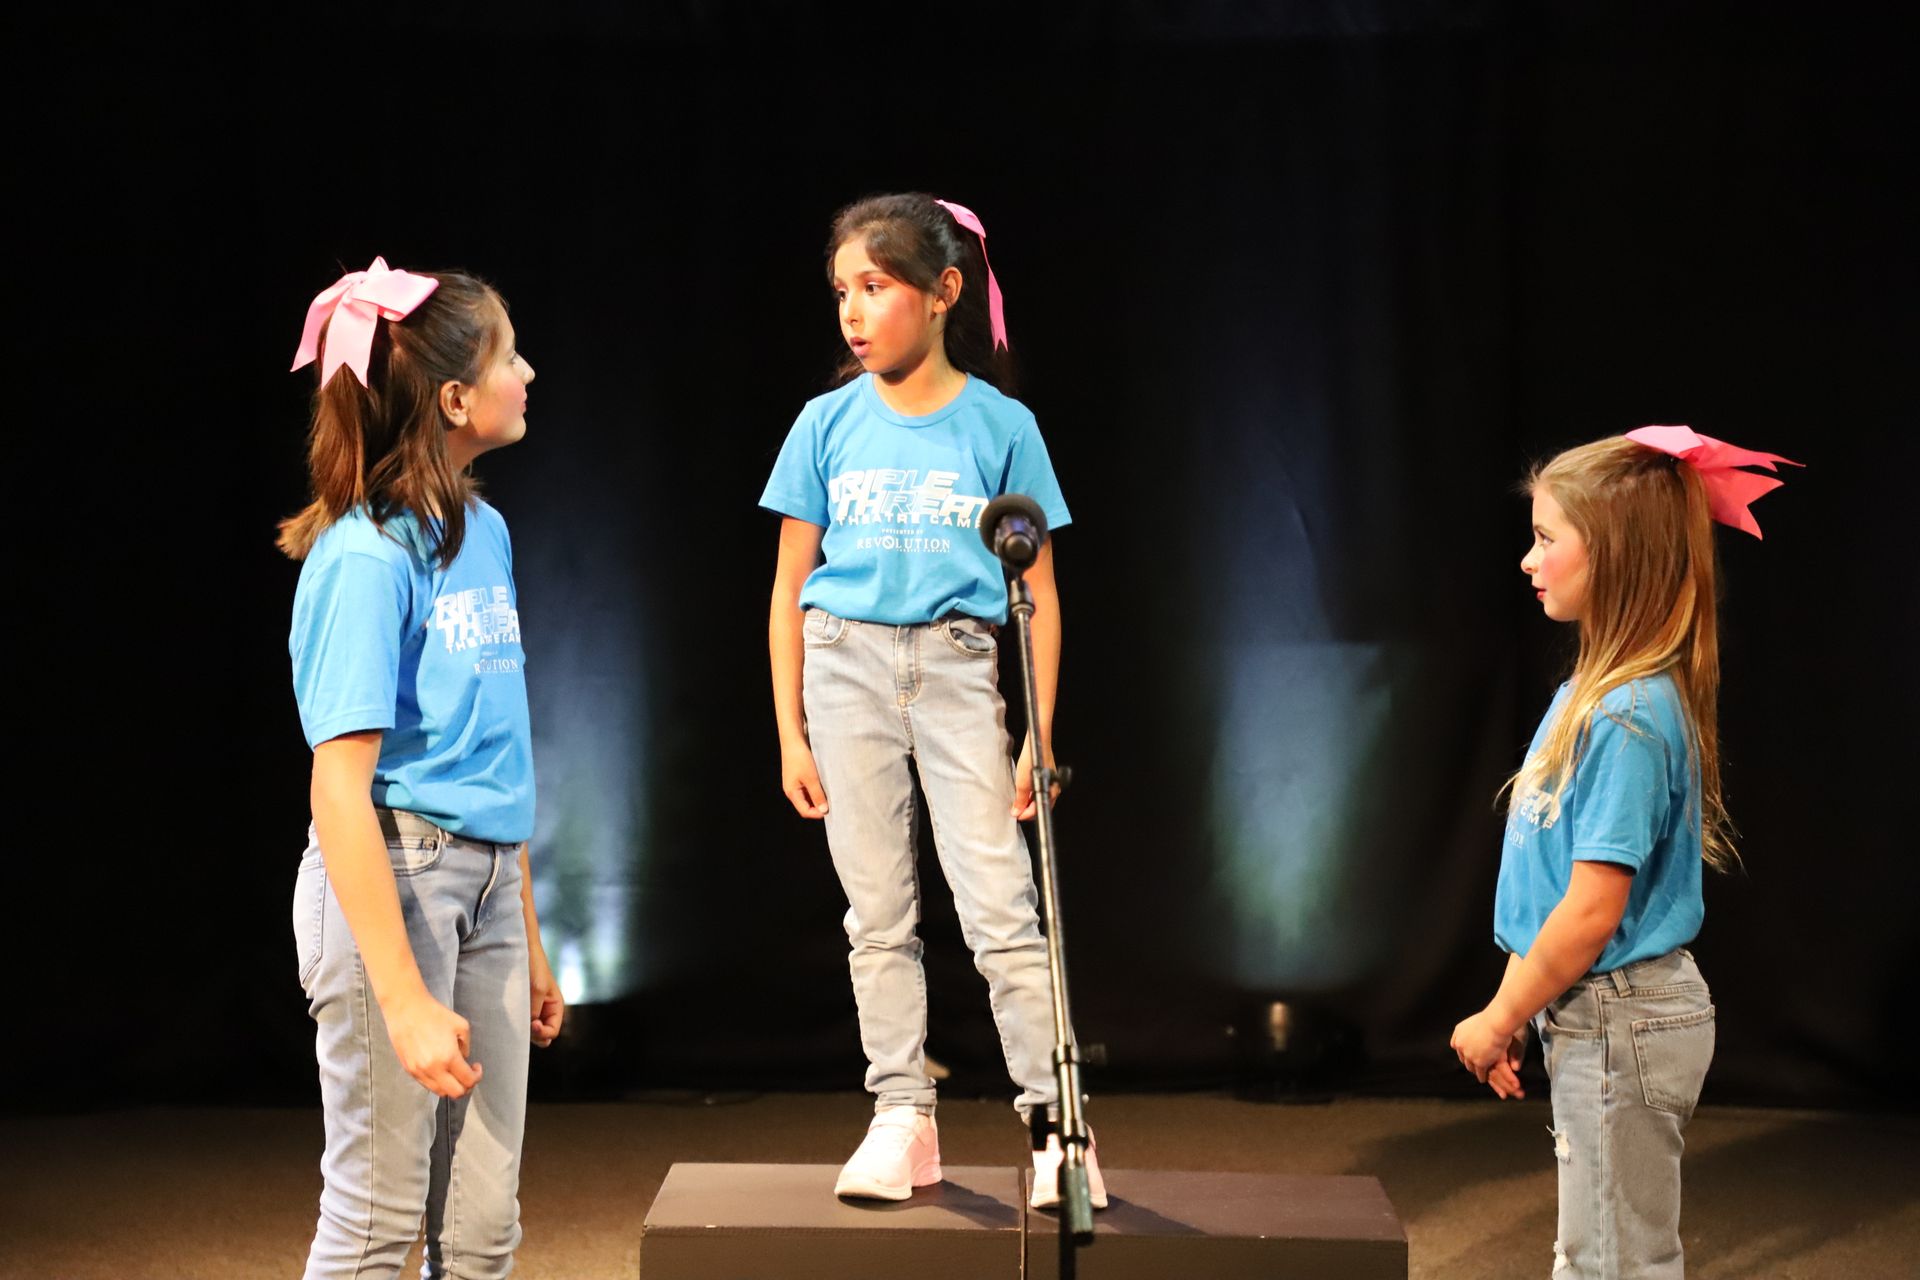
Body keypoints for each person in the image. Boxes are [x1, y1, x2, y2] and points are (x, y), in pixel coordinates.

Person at [761, 194, 1105, 1209]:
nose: (855, 313)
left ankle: (1056, 1128)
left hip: (957, 667)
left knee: (1000, 907)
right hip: (843, 666)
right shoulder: (825, 423)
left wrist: (1036, 734)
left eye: (877, 287)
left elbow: (1037, 595)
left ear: (944, 291)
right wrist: (789, 727)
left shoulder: (1002, 428)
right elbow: (789, 588)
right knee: (877, 911)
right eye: (843, 292)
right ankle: (902, 1117)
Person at [1451, 426, 1800, 1278]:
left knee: (1611, 1263)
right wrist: (1522, 1007)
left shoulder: (1627, 715)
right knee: (1596, 1253)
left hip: (1621, 1019)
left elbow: (1592, 909)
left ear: (1612, 556)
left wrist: (1498, 1017)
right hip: (1594, 1014)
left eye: (1545, 540)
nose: (1529, 562)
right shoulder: (1592, 695)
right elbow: (1542, 890)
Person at [280, 257, 564, 1278]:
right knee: (377, 1216)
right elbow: (338, 787)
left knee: (482, 1226)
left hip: (483, 886)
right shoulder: (364, 558)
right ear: (455, 397)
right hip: (394, 884)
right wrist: (401, 997)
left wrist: (524, 931)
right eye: (508, 356)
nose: (527, 372)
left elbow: (495, 757)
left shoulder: (483, 532)